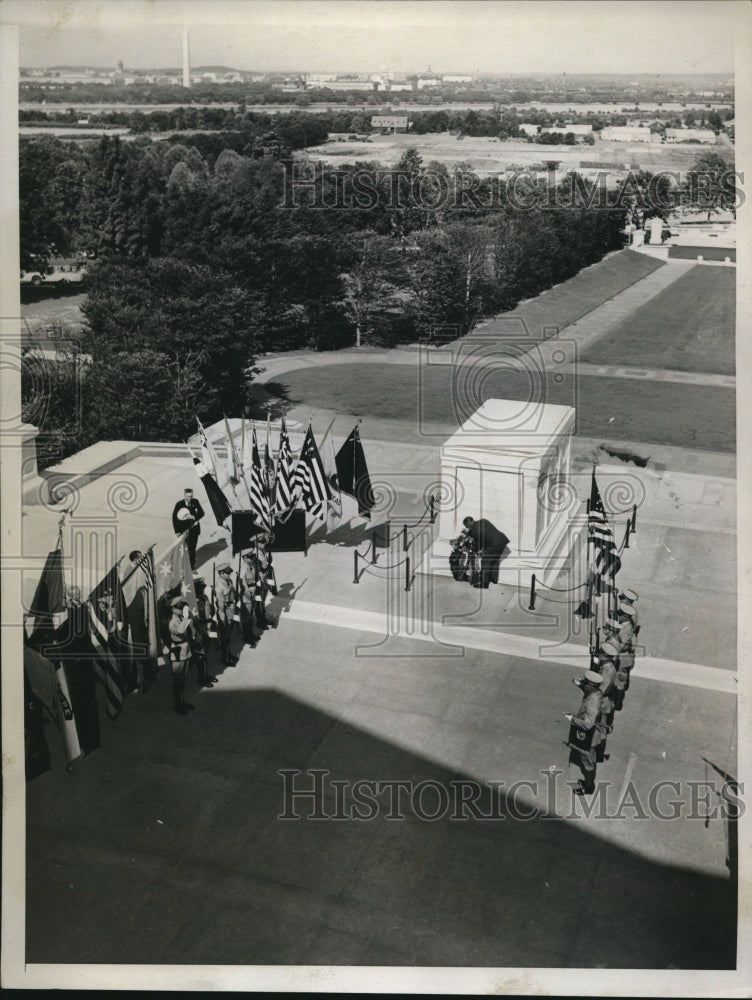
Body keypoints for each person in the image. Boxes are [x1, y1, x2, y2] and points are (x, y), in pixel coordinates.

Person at [564, 669, 604, 796]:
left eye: (586, 683)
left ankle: (588, 786)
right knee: (589, 759)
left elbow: (587, 724)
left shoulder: (593, 704)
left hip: (590, 737)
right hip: (593, 733)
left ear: (591, 686)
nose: (584, 684)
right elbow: (588, 689)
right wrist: (580, 684)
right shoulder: (596, 692)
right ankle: (589, 782)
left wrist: (572, 719)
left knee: (587, 761)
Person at [462, 515, 509, 588]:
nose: (467, 528)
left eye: (467, 526)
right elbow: (485, 533)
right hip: (502, 540)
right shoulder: (483, 521)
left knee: (485, 561)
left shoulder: (475, 531)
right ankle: (494, 578)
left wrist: (472, 549)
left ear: (469, 524)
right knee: (495, 559)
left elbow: (478, 545)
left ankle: (484, 583)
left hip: (494, 544)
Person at [167, 597, 196, 716]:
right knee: (178, 679)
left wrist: (186, 613)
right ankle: (178, 704)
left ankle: (182, 701)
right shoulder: (172, 622)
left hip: (185, 647)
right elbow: (181, 629)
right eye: (179, 607)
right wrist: (186, 616)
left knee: (183, 678)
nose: (182, 608)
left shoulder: (180, 617)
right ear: (173, 609)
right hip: (178, 650)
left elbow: (190, 619)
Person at [171, 488, 205, 571]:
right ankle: (182, 567)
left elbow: (202, 513)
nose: (190, 498)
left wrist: (194, 517)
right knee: (184, 550)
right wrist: (177, 531)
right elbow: (174, 518)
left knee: (192, 549)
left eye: (191, 496)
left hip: (194, 530)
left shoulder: (195, 502)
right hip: (184, 531)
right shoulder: (179, 504)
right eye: (188, 496)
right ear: (184, 495)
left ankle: (191, 568)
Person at [193, 578, 218, 688]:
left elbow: (211, 609)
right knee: (201, 656)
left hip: (208, 628)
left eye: (203, 589)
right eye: (200, 589)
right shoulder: (193, 602)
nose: (202, 591)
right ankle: (202, 678)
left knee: (206, 654)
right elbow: (194, 619)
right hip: (200, 631)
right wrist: (207, 621)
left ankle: (205, 674)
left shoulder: (205, 598)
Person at [214, 562, 237, 666]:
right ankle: (225, 657)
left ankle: (228, 653)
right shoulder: (219, 586)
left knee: (228, 636)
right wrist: (228, 616)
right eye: (227, 573)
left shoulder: (229, 581)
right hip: (225, 615)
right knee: (225, 637)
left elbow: (233, 593)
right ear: (221, 573)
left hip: (231, 611)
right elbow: (221, 604)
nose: (229, 575)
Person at [239, 552, 259, 648]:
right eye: (250, 557)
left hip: (253, 593)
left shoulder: (251, 565)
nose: (252, 558)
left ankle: (250, 633)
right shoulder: (243, 569)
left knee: (251, 616)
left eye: (253, 556)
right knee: (246, 618)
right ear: (244, 558)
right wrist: (249, 596)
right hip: (247, 597)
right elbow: (243, 586)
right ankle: (246, 636)